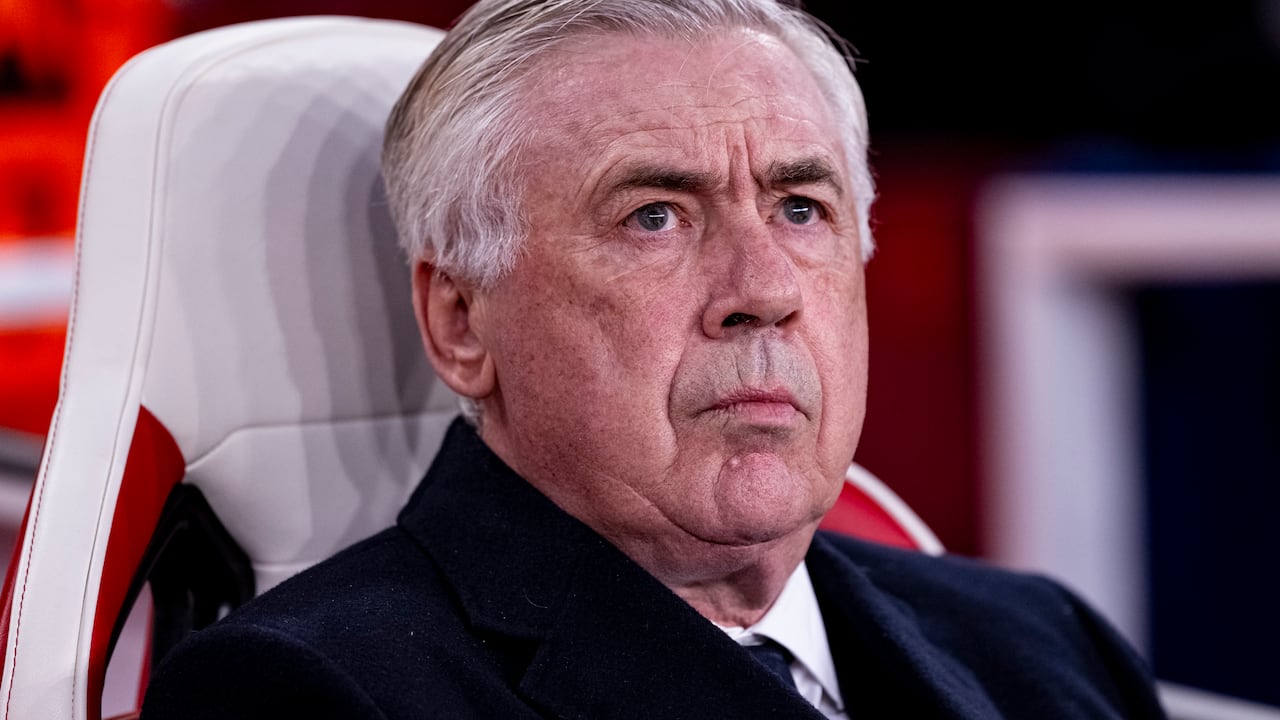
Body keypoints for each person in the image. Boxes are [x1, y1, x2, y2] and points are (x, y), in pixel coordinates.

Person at [142, 0, 1168, 717]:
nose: (762, 290)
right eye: (655, 216)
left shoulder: (1042, 641)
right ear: (460, 321)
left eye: (800, 206)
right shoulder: (310, 692)